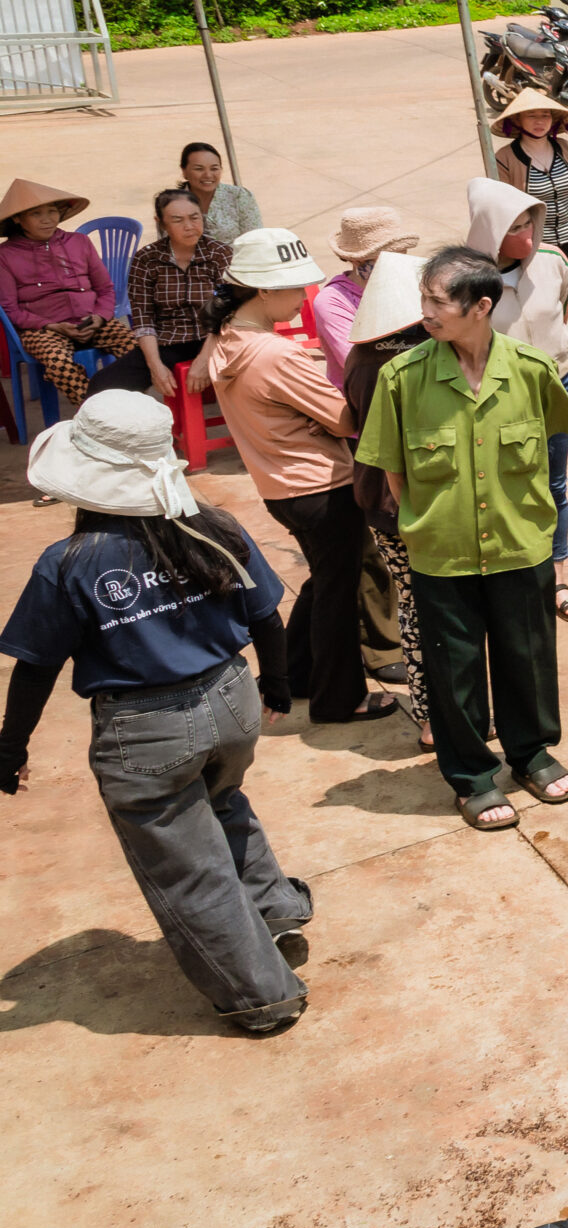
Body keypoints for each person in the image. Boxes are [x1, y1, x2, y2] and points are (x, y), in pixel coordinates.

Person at [0, 391, 311, 1035]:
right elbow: (265, 615)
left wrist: (9, 747)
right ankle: (273, 911)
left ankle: (262, 997)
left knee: (183, 862)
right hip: (234, 701)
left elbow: (35, 666)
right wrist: (275, 686)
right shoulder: (215, 525)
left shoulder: (69, 564)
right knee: (222, 802)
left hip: (146, 732)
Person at [355, 246, 568, 830]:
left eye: (438, 300)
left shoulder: (532, 371)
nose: (425, 311)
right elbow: (391, 467)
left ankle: (531, 754)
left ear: (481, 306)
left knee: (527, 659)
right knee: (452, 670)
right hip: (442, 554)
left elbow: (553, 448)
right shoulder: (401, 379)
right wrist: (425, 524)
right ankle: (472, 777)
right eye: (424, 298)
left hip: (520, 546)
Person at [198, 227, 391, 725]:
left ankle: (296, 673)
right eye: (293, 288)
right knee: (338, 594)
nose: (302, 297)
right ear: (263, 289)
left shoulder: (227, 338)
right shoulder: (275, 353)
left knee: (322, 583)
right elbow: (346, 420)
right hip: (321, 485)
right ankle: (340, 698)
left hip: (279, 486)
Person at [462, 177, 568, 624]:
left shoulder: (554, 261)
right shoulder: (465, 281)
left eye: (531, 222)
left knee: (553, 486)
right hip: (498, 399)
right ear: (491, 231)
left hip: (557, 387)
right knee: (500, 487)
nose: (529, 235)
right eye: (516, 227)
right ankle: (508, 576)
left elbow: (563, 311)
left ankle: (555, 576)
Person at [309, 206, 424, 695]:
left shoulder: (414, 287)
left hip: (421, 433)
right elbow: (369, 361)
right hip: (367, 432)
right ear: (358, 264)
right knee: (377, 549)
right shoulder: (335, 302)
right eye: (378, 261)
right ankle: (383, 646)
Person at [341, 252, 434, 748]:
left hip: (378, 503)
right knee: (438, 611)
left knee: (412, 605)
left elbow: (348, 420)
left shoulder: (360, 358)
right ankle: (440, 715)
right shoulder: (423, 358)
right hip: (423, 505)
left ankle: (428, 715)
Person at [0, 178, 137, 410]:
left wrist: (100, 317)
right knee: (58, 363)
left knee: (137, 350)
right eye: (36, 214)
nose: (47, 219)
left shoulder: (79, 242)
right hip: (43, 330)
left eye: (52, 211)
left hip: (91, 321)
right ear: (17, 218)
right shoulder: (5, 255)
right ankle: (97, 413)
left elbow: (105, 289)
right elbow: (11, 310)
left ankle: (130, 405)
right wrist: (52, 326)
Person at [88, 187, 229, 398]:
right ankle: (144, 431)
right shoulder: (146, 259)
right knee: (103, 386)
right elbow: (143, 320)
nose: (189, 226)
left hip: (217, 339)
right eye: (177, 220)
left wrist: (204, 359)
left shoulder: (219, 254)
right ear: (161, 222)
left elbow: (228, 314)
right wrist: (156, 367)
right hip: (170, 342)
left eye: (194, 217)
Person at [492, 92, 568, 285]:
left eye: (545, 115)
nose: (540, 121)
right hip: (533, 246)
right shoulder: (505, 158)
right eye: (532, 115)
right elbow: (501, 207)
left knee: (566, 296)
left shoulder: (565, 148)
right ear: (518, 120)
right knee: (539, 304)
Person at [313, 208, 420, 385]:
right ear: (356, 260)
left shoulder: (412, 282)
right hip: (365, 395)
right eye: (388, 256)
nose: (399, 263)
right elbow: (359, 365)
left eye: (402, 253)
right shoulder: (333, 301)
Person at [179, 142, 262, 245]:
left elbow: (256, 240)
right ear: (184, 171)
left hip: (237, 260)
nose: (208, 175)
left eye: (214, 169)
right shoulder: (171, 203)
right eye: (199, 169)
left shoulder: (239, 196)